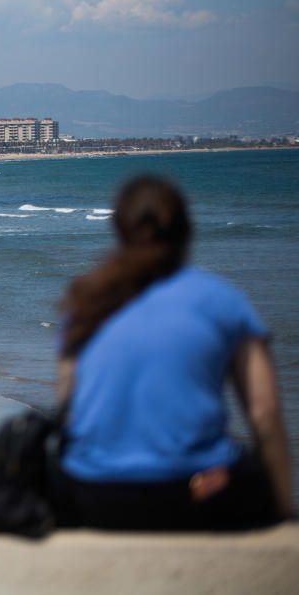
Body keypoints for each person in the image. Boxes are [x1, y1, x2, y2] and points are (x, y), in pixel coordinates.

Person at [51, 175, 293, 530]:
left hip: (94, 494)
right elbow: (264, 414)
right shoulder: (221, 300)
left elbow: (67, 406)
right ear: (186, 230)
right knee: (246, 468)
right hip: (191, 494)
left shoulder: (86, 303)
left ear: (119, 230)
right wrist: (283, 507)